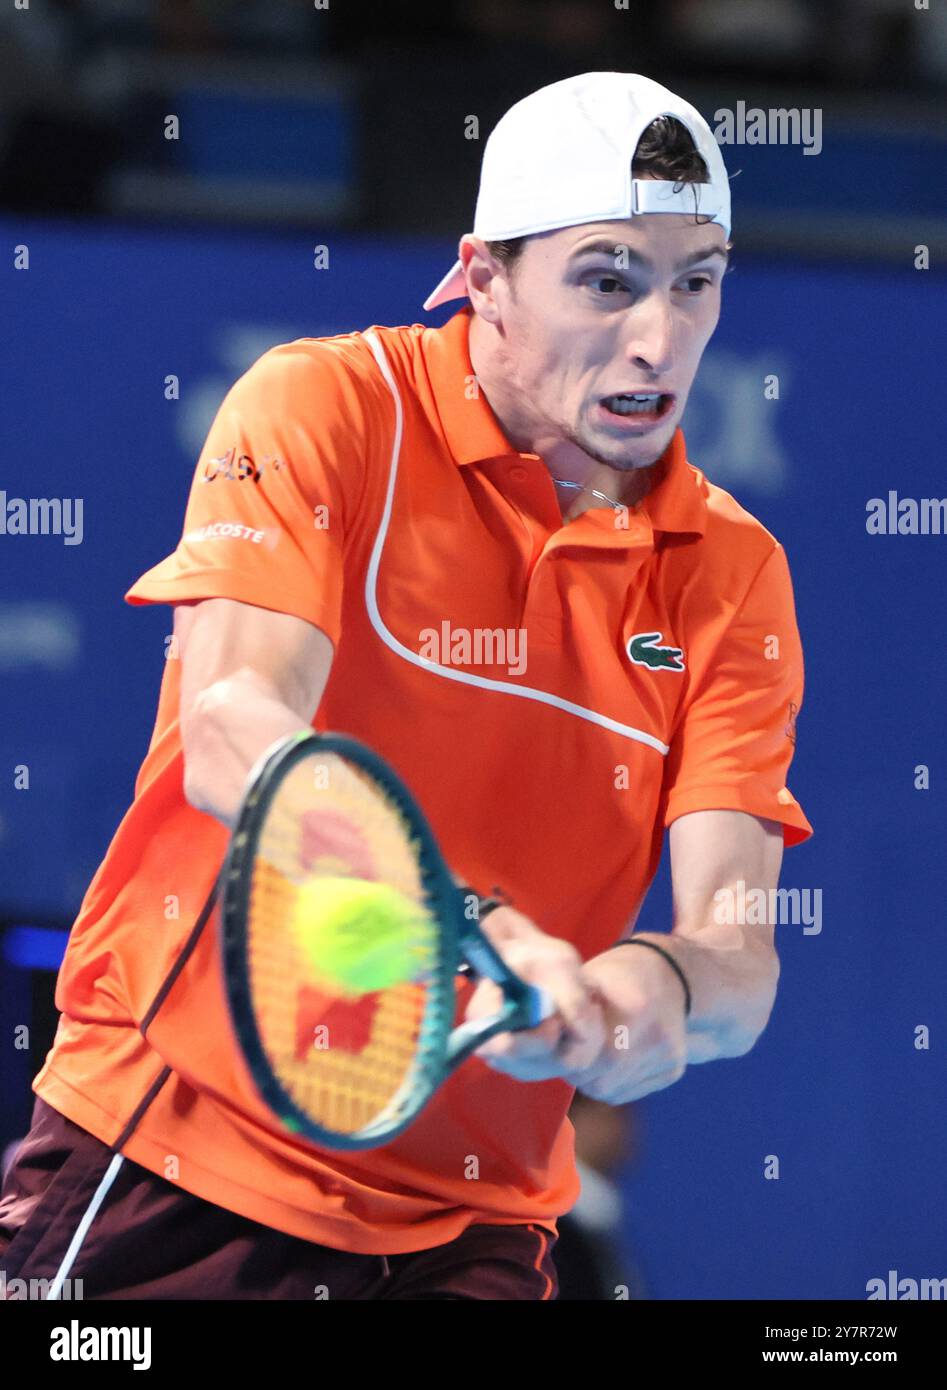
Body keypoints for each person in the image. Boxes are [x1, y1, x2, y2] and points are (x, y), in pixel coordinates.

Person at [0, 71, 812, 1301]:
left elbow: (735, 955)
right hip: (175, 1156)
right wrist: (463, 923)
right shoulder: (323, 406)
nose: (660, 338)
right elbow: (231, 725)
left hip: (470, 1228)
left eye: (695, 281)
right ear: (483, 277)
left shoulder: (734, 572)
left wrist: (650, 992)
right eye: (606, 279)